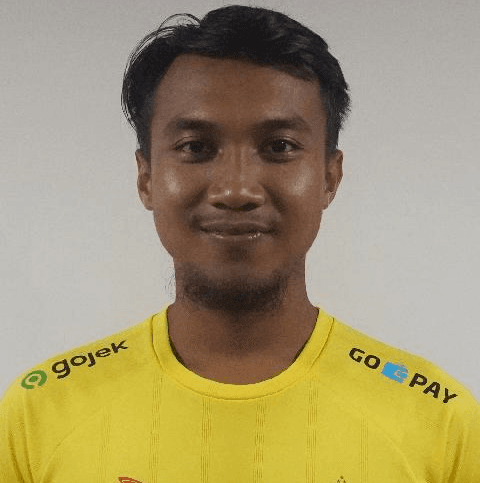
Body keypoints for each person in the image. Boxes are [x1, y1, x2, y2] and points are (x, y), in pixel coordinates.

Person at [1, 5, 479, 482]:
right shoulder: (36, 417)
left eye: (279, 147)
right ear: (146, 177)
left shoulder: (440, 424)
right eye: (195, 147)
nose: (236, 190)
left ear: (330, 177)